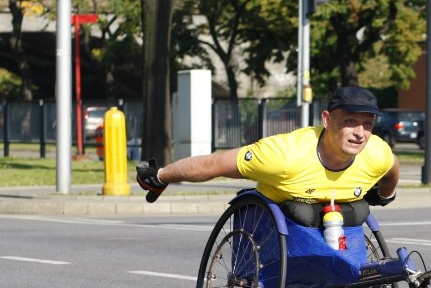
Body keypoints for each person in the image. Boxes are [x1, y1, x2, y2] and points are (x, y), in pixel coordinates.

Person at [136, 86, 400, 227]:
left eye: (367, 124)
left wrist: (384, 195)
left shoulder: (376, 152)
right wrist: (160, 175)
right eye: (350, 122)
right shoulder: (284, 155)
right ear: (327, 120)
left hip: (339, 215)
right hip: (288, 215)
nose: (360, 133)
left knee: (362, 210)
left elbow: (392, 170)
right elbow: (213, 164)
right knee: (301, 214)